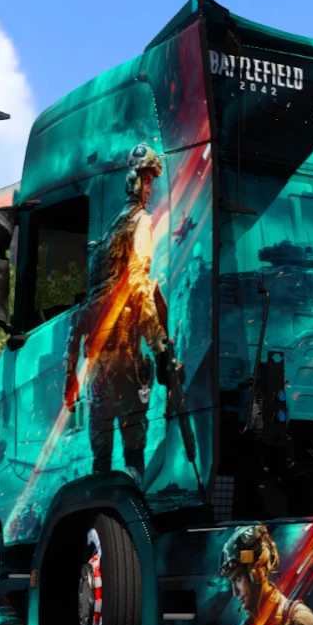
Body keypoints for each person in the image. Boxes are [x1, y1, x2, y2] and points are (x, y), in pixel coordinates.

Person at [64, 143, 182, 479]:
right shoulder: (140, 222)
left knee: (101, 460)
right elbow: (139, 285)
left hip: (98, 368)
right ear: (135, 180)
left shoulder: (110, 234)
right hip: (126, 362)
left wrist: (71, 374)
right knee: (133, 457)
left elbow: (81, 316)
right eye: (148, 180)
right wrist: (160, 348)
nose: (150, 189)